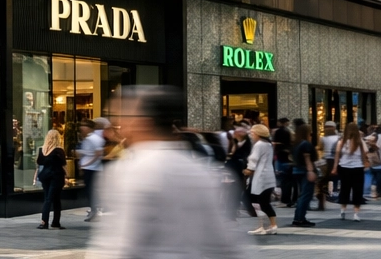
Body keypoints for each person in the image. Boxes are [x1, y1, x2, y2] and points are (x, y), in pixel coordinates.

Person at [84, 86, 247, 259]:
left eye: (121, 117)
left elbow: (121, 247)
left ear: (143, 122)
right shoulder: (199, 171)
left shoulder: (132, 172)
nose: (117, 125)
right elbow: (224, 244)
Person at [243, 124, 277, 234]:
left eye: (252, 133)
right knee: (263, 201)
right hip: (268, 175)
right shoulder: (268, 144)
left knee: (257, 201)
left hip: (260, 176)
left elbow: (253, 160)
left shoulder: (259, 145)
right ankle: (268, 225)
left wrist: (247, 170)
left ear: (257, 134)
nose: (251, 135)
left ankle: (268, 225)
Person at [335, 121, 371, 220]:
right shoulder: (360, 142)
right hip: (358, 168)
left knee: (344, 189)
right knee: (357, 190)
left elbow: (337, 155)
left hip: (344, 168)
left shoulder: (341, 142)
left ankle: (342, 211)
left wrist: (335, 168)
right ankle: (356, 214)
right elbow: (366, 153)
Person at [35, 128, 68, 229]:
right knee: (55, 199)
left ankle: (45, 221)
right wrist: (67, 177)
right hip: (56, 176)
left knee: (47, 198)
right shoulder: (59, 151)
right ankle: (53, 222)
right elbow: (63, 165)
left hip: (45, 176)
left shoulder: (41, 149)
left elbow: (38, 163)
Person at [77, 118, 109, 221]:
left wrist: (86, 163)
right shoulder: (87, 139)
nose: (82, 128)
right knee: (89, 190)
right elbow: (88, 153)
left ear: (89, 128)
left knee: (91, 191)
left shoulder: (94, 139)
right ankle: (93, 209)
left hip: (92, 169)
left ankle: (95, 210)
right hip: (88, 168)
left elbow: (98, 154)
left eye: (84, 126)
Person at [291, 123, 318, 227]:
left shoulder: (296, 144)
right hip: (305, 171)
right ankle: (300, 218)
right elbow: (307, 158)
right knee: (306, 195)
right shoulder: (306, 144)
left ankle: (298, 217)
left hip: (297, 170)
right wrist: (310, 171)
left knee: (302, 195)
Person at [271, 118, 293, 207]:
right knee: (287, 180)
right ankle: (287, 199)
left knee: (283, 179)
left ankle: (284, 200)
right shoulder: (288, 131)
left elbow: (275, 143)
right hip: (287, 156)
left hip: (280, 156)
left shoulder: (278, 131)